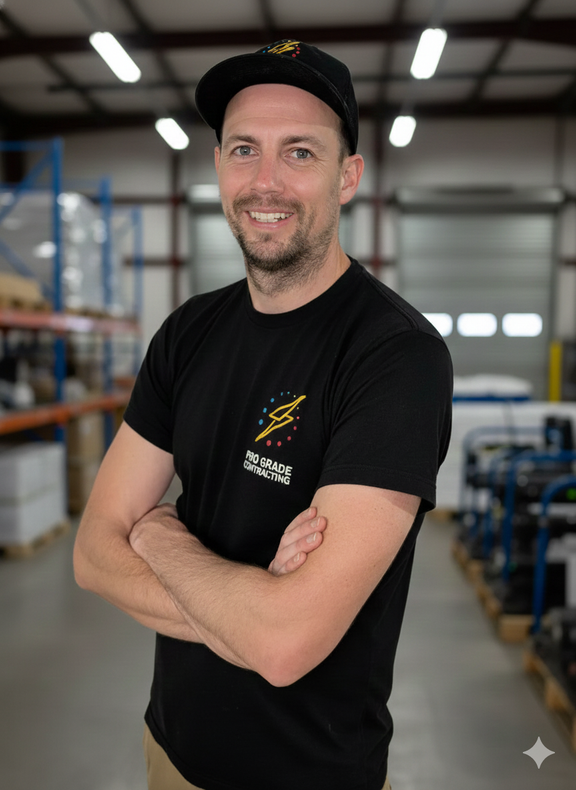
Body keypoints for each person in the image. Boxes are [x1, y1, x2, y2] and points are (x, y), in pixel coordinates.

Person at [74, 39, 452, 790]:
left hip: (309, 772)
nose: (266, 180)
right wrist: (248, 611)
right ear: (218, 167)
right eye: (244, 149)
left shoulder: (395, 357)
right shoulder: (188, 333)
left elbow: (286, 646)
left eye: (300, 152)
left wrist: (158, 535)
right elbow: (90, 556)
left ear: (348, 177)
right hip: (169, 753)